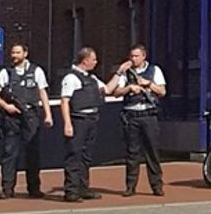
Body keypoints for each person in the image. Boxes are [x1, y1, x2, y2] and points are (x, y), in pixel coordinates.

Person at [0, 42, 52, 200]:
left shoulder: (36, 71)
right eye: (13, 53)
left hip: (31, 115)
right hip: (11, 118)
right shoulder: (6, 72)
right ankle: (7, 189)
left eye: (17, 52)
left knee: (33, 153)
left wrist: (48, 114)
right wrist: (7, 106)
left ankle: (34, 189)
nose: (14, 56)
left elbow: (43, 93)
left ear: (25, 53)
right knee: (9, 153)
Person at [59, 47, 119, 203]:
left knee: (86, 155)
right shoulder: (71, 78)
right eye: (93, 59)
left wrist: (119, 73)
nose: (96, 62)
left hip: (92, 119)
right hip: (78, 119)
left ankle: (83, 188)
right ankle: (71, 191)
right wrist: (68, 124)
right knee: (74, 154)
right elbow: (64, 101)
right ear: (85, 60)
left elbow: (107, 89)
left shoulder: (92, 78)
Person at [112, 44, 166, 197]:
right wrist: (129, 88)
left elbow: (162, 91)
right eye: (131, 56)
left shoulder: (154, 70)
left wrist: (148, 84)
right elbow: (116, 92)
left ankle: (157, 185)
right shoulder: (126, 72)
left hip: (148, 114)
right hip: (131, 115)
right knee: (132, 153)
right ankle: (130, 186)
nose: (133, 59)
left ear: (144, 56)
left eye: (136, 56)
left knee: (152, 152)